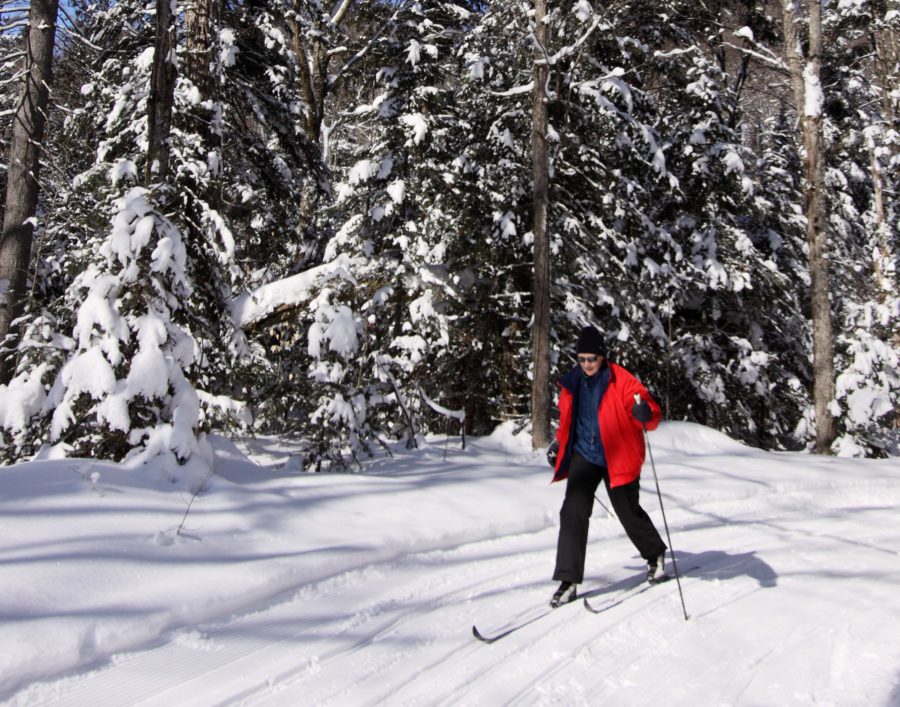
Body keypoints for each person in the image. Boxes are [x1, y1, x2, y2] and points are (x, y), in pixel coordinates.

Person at [546, 325, 665, 608]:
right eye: (582, 359)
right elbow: (568, 422)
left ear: (602, 357)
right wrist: (558, 445)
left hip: (618, 455)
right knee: (573, 511)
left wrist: (645, 413)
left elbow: (648, 410)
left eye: (592, 359)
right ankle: (569, 580)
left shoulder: (620, 380)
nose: (586, 365)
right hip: (585, 456)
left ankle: (655, 554)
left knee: (628, 511)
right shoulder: (571, 383)